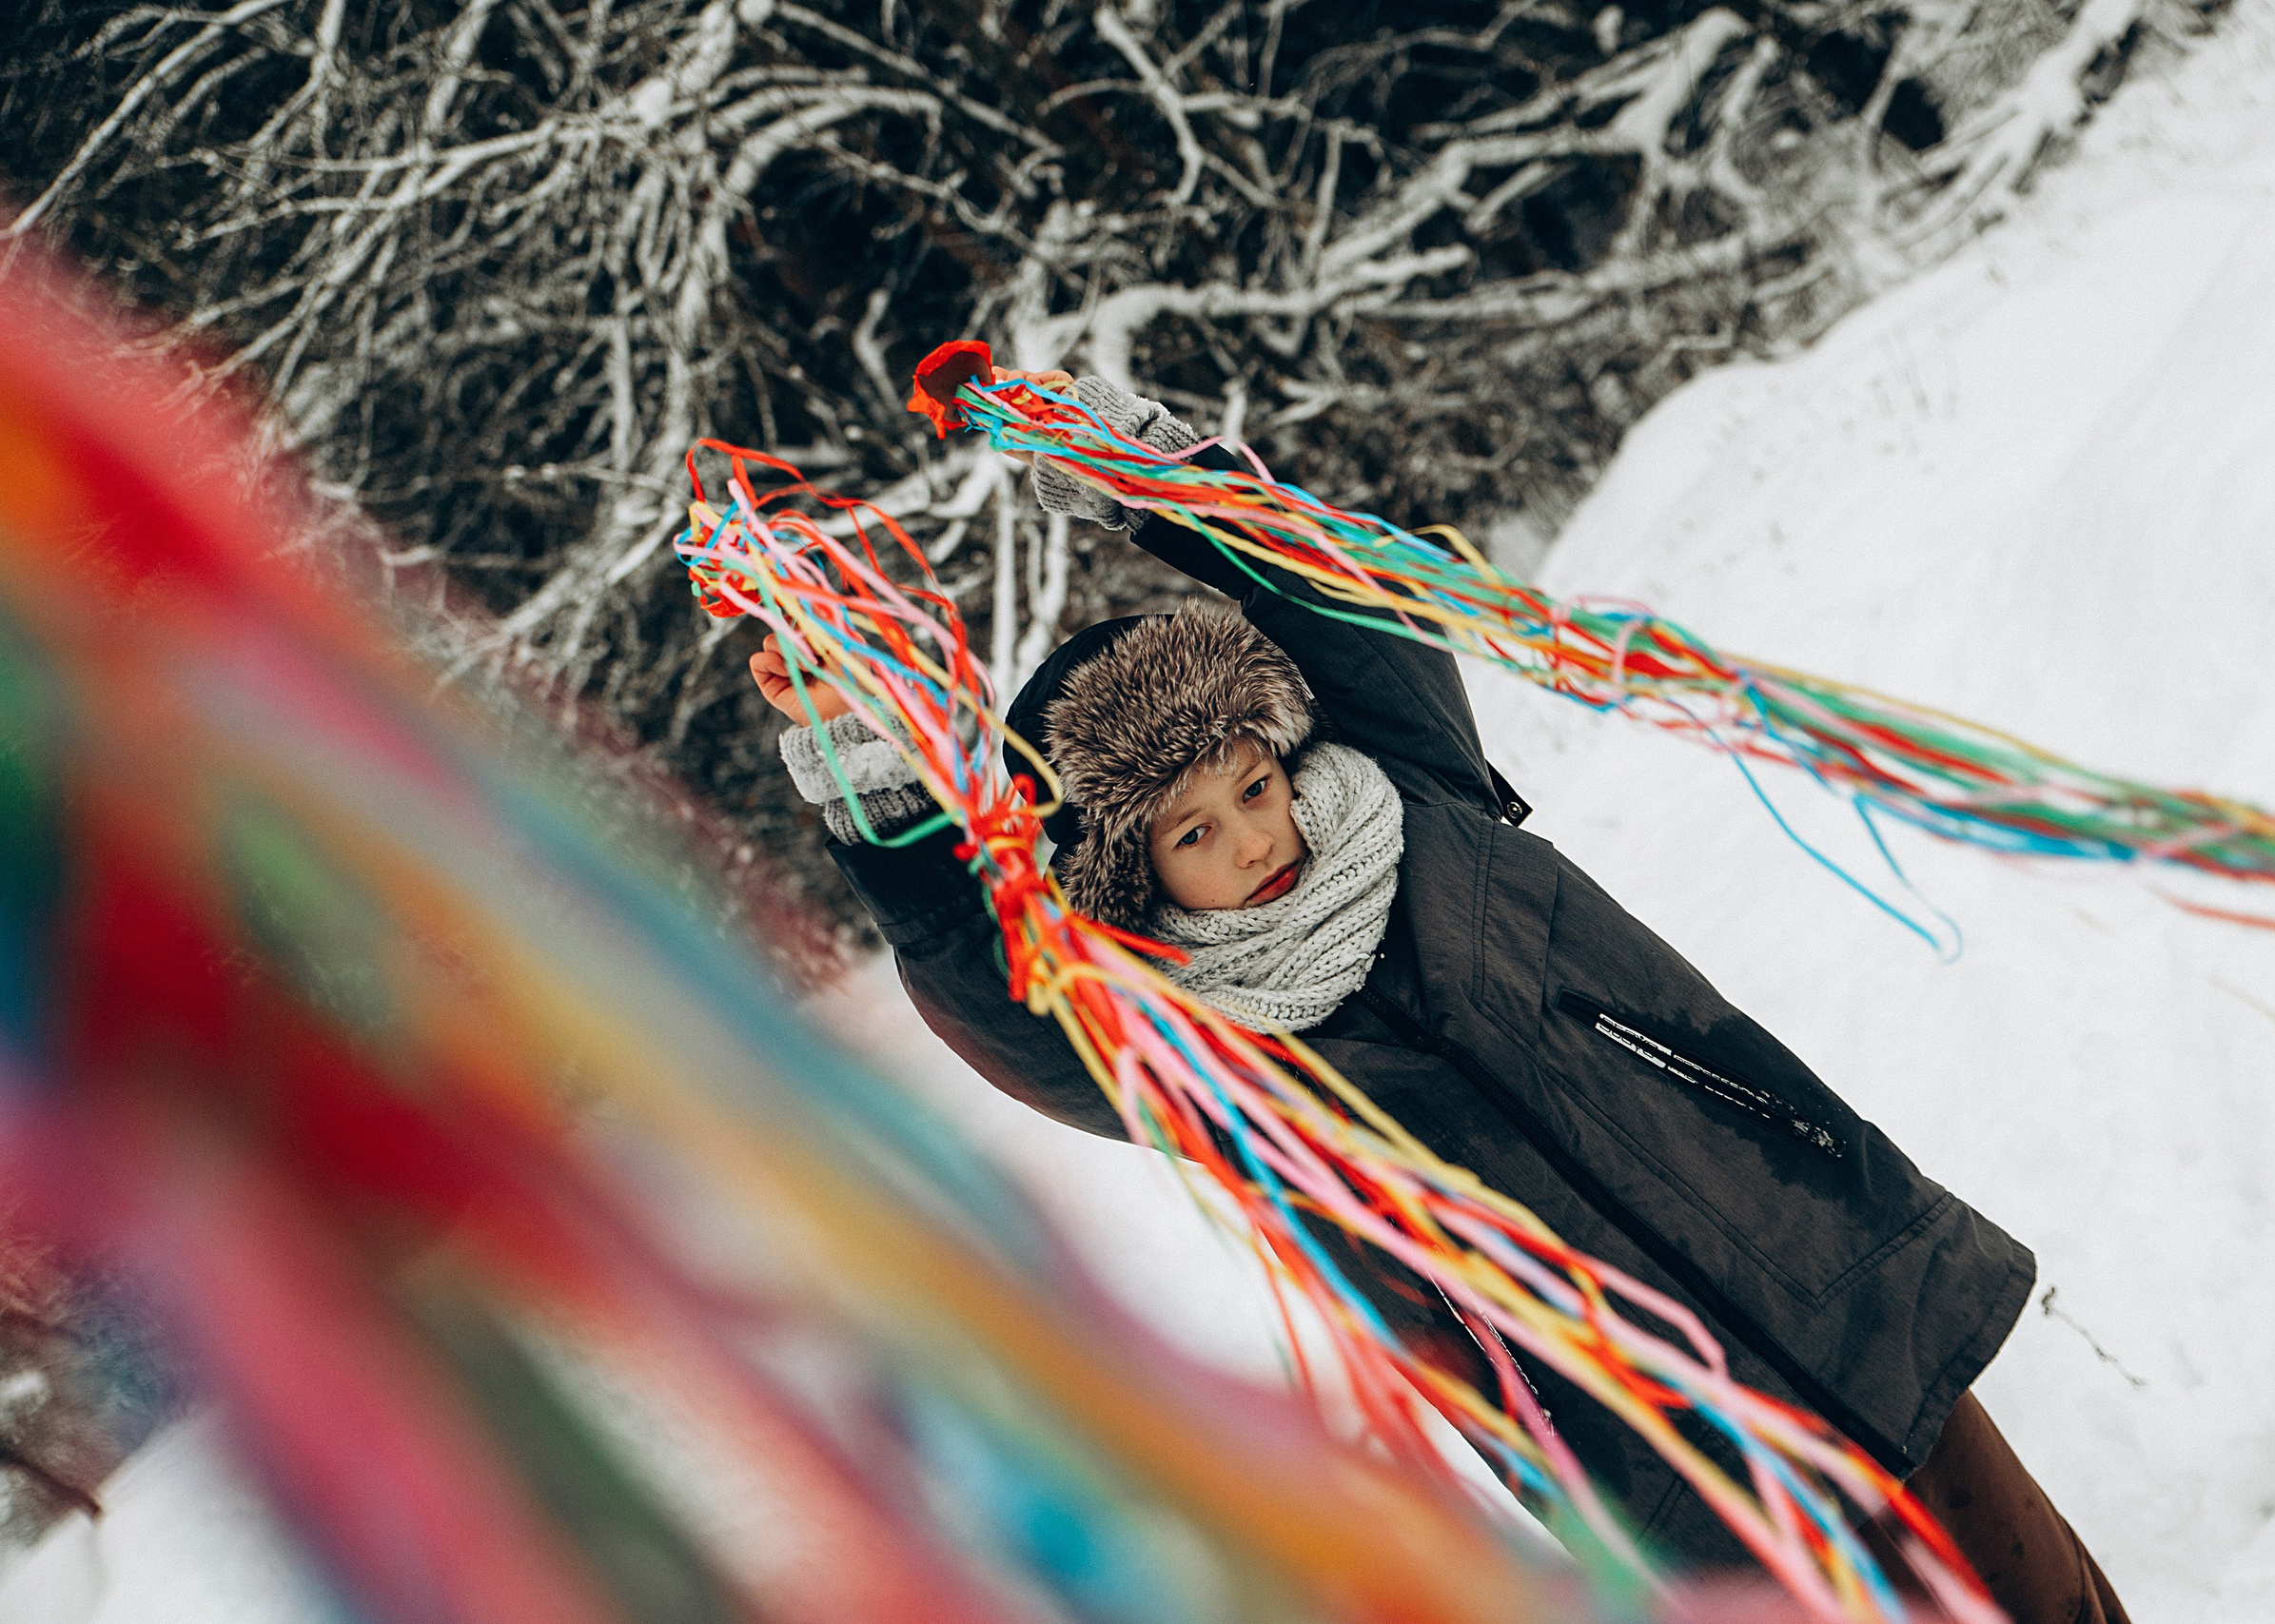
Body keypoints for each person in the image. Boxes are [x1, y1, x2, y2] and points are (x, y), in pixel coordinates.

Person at [748, 369, 2129, 1623]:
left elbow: (1340, 605)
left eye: (1252, 781)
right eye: (1193, 834)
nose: (1255, 839)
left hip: (1827, 1259)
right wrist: (880, 787)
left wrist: (1171, 485)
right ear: (1133, 874)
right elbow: (981, 987)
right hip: (1639, 1445)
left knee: (2044, 1602)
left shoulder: (1423, 801)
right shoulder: (1184, 1050)